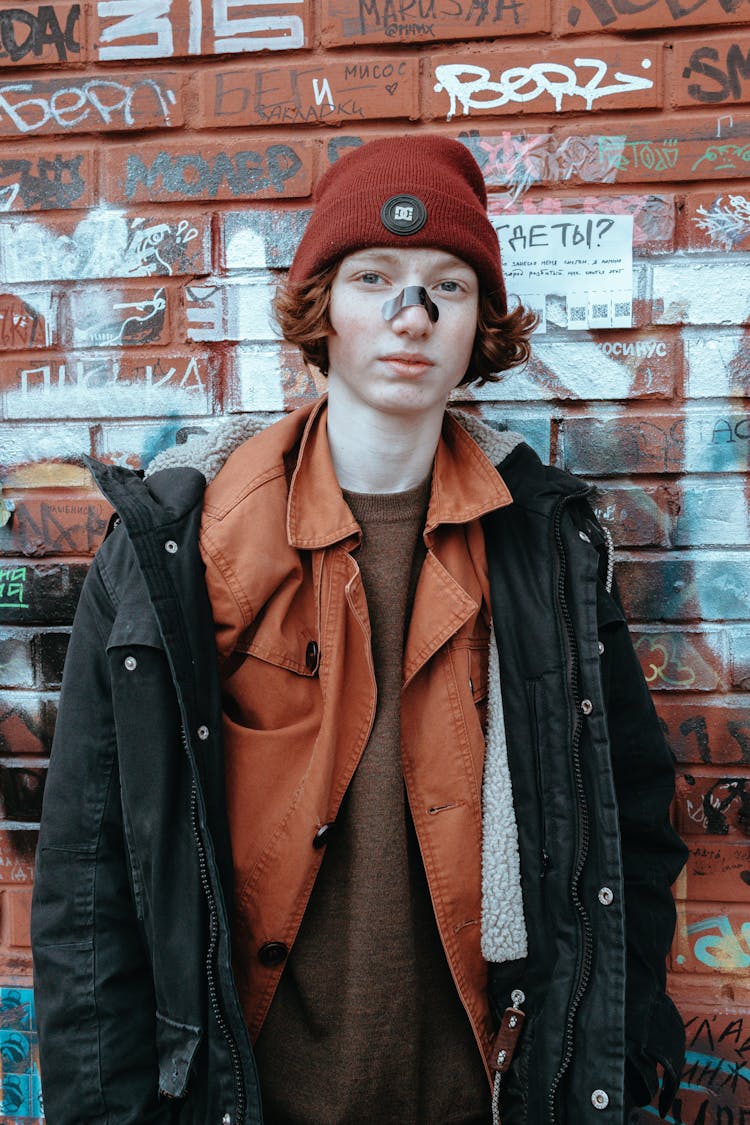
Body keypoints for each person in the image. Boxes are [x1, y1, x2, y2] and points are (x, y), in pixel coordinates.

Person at [31, 136, 687, 1125]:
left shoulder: (544, 548)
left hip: (491, 1099)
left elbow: (626, 833)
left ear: (480, 331)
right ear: (319, 312)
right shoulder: (175, 550)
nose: (410, 316)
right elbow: (90, 883)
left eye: (448, 287)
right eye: (373, 277)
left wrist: (620, 1058)